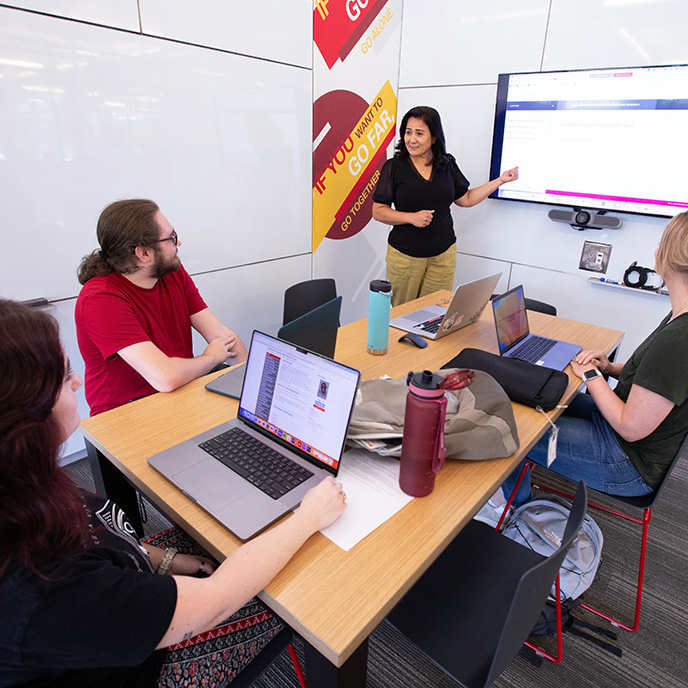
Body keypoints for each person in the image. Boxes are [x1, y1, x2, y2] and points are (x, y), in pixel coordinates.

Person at [0, 298, 347, 686]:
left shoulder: (21, 483)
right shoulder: (42, 585)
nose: (78, 381)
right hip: (149, 668)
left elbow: (95, 538)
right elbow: (216, 601)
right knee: (305, 595)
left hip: (127, 593)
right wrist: (308, 518)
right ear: (27, 411)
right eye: (65, 376)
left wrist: (165, 559)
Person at [503, 212, 688, 507]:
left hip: (625, 460)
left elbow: (630, 425)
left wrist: (591, 375)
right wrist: (608, 367)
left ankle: (513, 510)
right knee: (527, 396)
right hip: (618, 434)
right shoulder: (678, 317)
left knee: (506, 429)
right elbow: (654, 380)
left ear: (669, 256)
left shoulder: (678, 340)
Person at [76, 199, 248, 415]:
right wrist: (211, 358)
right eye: (172, 238)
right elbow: (165, 377)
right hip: (127, 413)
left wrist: (253, 386)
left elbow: (220, 335)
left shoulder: (171, 271)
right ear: (144, 254)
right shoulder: (100, 298)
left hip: (181, 391)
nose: (179, 244)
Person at [372, 105, 518, 306]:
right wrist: (411, 217)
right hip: (405, 256)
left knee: (435, 313)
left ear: (433, 138)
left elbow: (465, 198)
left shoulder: (446, 165)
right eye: (408, 132)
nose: (411, 139)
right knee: (403, 313)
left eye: (419, 133)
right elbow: (378, 211)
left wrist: (500, 181)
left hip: (443, 254)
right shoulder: (394, 167)